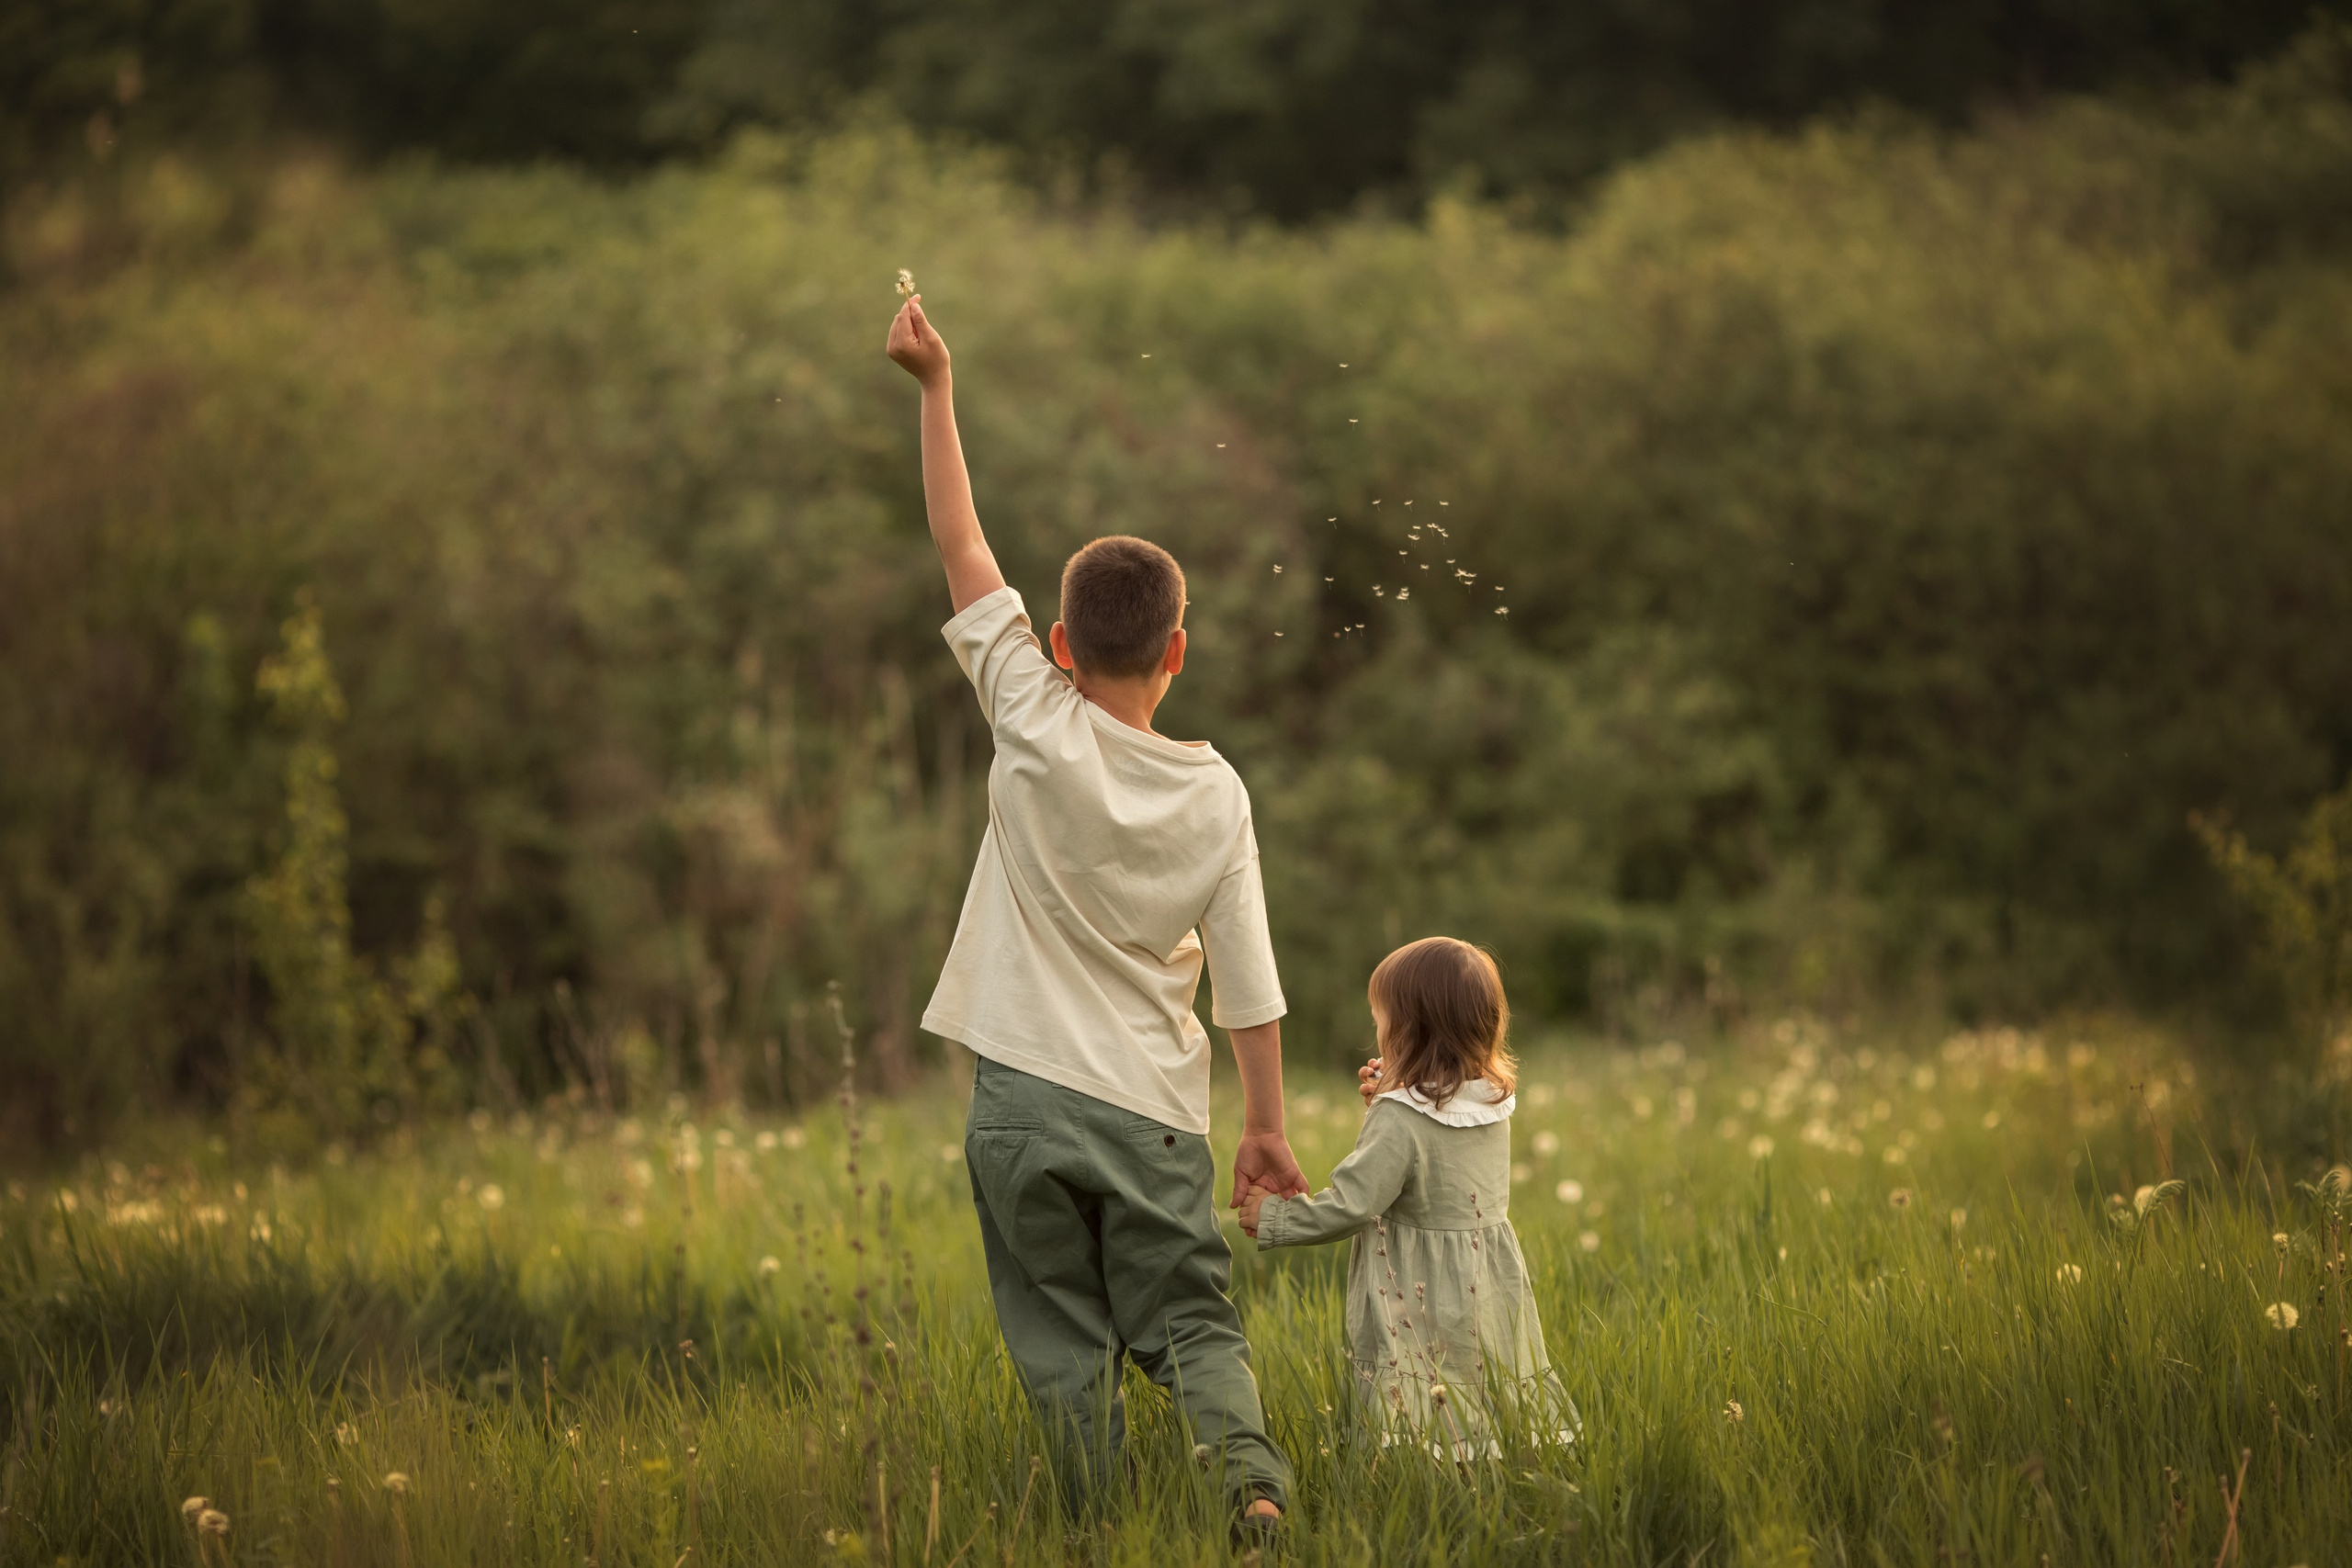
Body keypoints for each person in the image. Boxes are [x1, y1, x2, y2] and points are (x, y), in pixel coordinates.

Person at [886, 293, 1305, 1534]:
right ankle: (1252, 1491)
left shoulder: (1028, 711)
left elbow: (962, 541)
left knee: (1060, 1333)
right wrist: (1264, 1128)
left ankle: (1091, 1525)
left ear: (1060, 641)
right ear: (1178, 651)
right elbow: (1248, 987)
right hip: (1152, 1115)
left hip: (1019, 1101)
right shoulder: (1217, 795)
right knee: (1191, 1322)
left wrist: (936, 387)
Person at [1239, 937, 1578, 1460]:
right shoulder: (1490, 1102)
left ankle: (1422, 1474)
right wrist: (1395, 1093)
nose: (1377, 1030)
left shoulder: (1399, 1117)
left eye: (1381, 1020)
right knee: (1477, 1374)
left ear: (1408, 1031)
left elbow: (1355, 1203)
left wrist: (1276, 1216)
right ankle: (1491, 1464)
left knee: (1418, 1382)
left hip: (1416, 1287)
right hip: (1484, 1284)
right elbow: (1433, 1162)